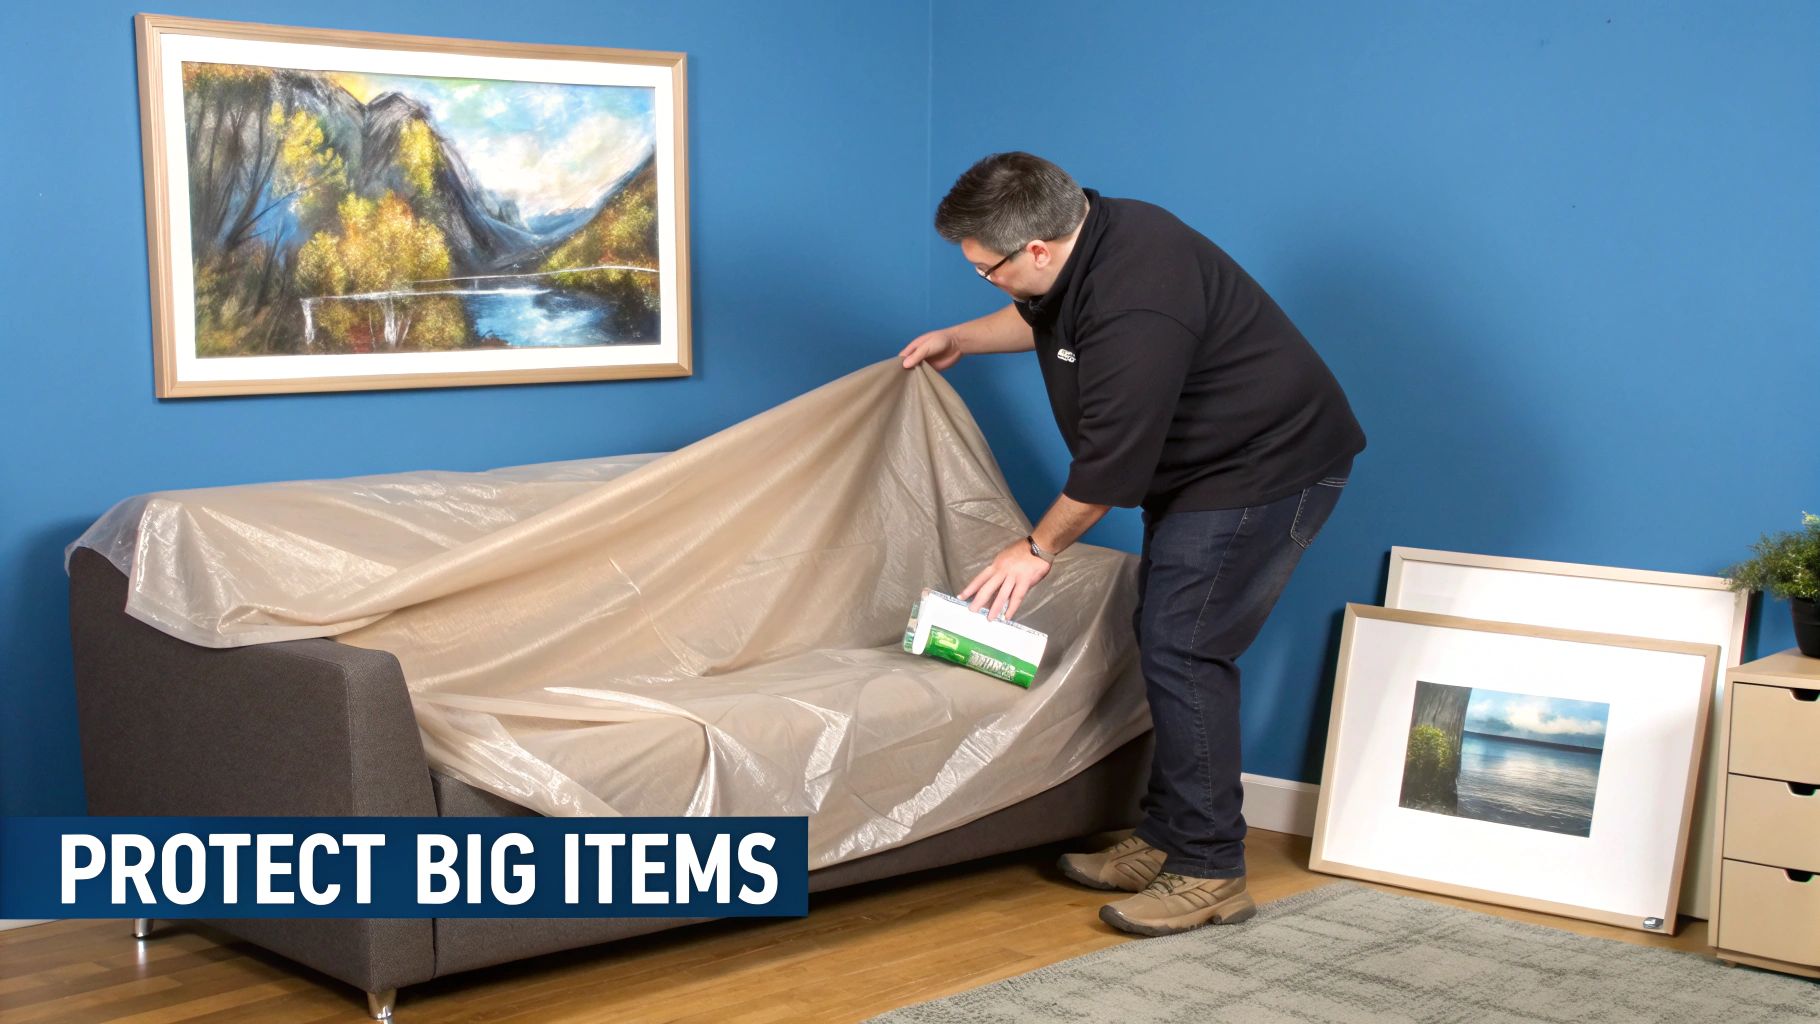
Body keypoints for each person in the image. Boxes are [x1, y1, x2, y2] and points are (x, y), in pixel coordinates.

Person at [900, 152, 1366, 937]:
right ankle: (1167, 837)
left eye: (986, 271)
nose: (988, 282)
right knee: (1167, 639)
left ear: (1037, 247)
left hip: (1265, 468)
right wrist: (960, 338)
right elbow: (1041, 313)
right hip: (1198, 467)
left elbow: (1108, 471)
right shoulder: (1094, 234)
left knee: (1186, 650)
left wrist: (1034, 550)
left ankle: (1210, 870)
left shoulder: (1138, 301)